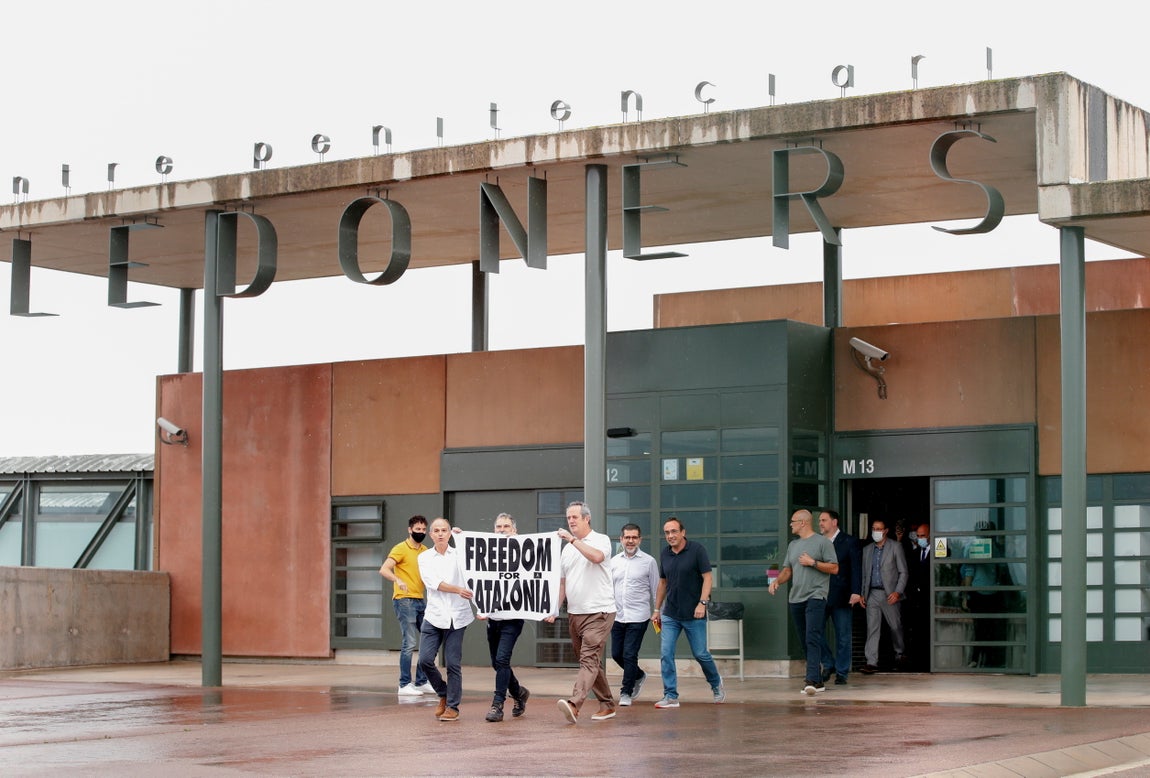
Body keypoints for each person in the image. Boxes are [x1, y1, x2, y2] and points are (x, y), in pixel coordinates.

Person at [547, 501, 617, 724]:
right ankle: (607, 704)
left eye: (575, 517)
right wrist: (554, 608)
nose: (570, 521)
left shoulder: (601, 540)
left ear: (587, 518)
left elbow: (597, 557)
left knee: (588, 659)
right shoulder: (567, 550)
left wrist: (573, 539)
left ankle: (574, 704)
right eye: (568, 518)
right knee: (590, 661)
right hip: (575, 613)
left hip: (599, 611)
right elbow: (562, 584)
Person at [652, 517, 725, 708]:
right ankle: (670, 695)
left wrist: (702, 603)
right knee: (666, 653)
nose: (670, 536)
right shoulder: (665, 554)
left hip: (695, 614)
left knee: (700, 653)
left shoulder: (697, 550)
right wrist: (657, 609)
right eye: (667, 532)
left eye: (674, 531)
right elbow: (662, 583)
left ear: (683, 532)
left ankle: (716, 683)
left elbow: (708, 578)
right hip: (670, 614)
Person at [769, 509, 839, 694]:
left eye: (793, 521)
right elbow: (787, 570)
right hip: (796, 598)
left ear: (803, 523)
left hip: (816, 596)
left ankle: (811, 680)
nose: (790, 524)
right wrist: (777, 581)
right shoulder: (793, 545)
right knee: (804, 640)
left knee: (812, 637)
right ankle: (818, 679)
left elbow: (834, 568)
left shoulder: (823, 542)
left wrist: (813, 562)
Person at [416, 517, 474, 722]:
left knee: (452, 664)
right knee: (424, 660)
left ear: (450, 533)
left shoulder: (461, 555)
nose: (440, 533)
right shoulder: (424, 558)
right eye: (436, 530)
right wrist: (458, 589)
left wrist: (464, 539)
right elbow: (434, 583)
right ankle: (444, 692)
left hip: (458, 616)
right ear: (430, 534)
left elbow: (479, 565)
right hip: (434, 616)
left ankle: (452, 706)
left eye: (444, 530)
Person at [482, 513, 531, 722]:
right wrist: (460, 537)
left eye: (506, 526)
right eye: (498, 526)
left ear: (514, 531)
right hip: (493, 617)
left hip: (513, 617)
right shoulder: (486, 552)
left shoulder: (523, 551)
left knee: (502, 659)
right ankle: (519, 692)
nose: (502, 530)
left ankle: (497, 704)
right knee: (497, 663)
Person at [378, 515, 434, 696]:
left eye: (424, 530)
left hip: (420, 600)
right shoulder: (401, 548)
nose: (421, 533)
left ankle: (421, 681)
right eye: (418, 530)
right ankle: (404, 684)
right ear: (410, 530)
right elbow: (384, 569)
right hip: (404, 600)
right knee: (409, 643)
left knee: (429, 640)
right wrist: (398, 580)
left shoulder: (425, 550)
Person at [610, 523, 659, 706]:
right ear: (621, 539)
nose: (631, 541)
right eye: (627, 537)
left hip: (639, 616)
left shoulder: (649, 561)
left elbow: (656, 589)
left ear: (640, 539)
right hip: (617, 616)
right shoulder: (614, 562)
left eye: (634, 537)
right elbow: (608, 588)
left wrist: (657, 611)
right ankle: (639, 674)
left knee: (630, 654)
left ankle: (626, 692)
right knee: (616, 654)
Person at [816, 508, 861, 685]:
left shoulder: (849, 541)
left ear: (834, 522)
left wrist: (856, 592)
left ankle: (842, 672)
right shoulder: (817, 542)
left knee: (843, 635)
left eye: (824, 520)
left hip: (842, 595)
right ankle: (828, 663)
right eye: (819, 520)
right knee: (814, 631)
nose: (820, 523)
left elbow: (856, 568)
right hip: (819, 594)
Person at [859, 518, 908, 674]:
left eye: (879, 529)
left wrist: (897, 592)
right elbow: (864, 575)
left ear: (886, 530)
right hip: (872, 593)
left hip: (890, 594)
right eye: (874, 528)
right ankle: (871, 661)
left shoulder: (896, 547)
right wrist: (862, 594)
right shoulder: (867, 550)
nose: (876, 532)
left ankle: (900, 654)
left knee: (895, 627)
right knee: (872, 628)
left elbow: (903, 572)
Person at [904, 522, 932, 672]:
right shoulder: (914, 554)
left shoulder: (941, 551)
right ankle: (918, 664)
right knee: (917, 633)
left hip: (931, 601)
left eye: (923, 536)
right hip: (916, 602)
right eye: (918, 536)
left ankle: (929, 663)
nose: (920, 538)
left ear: (929, 536)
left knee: (929, 632)